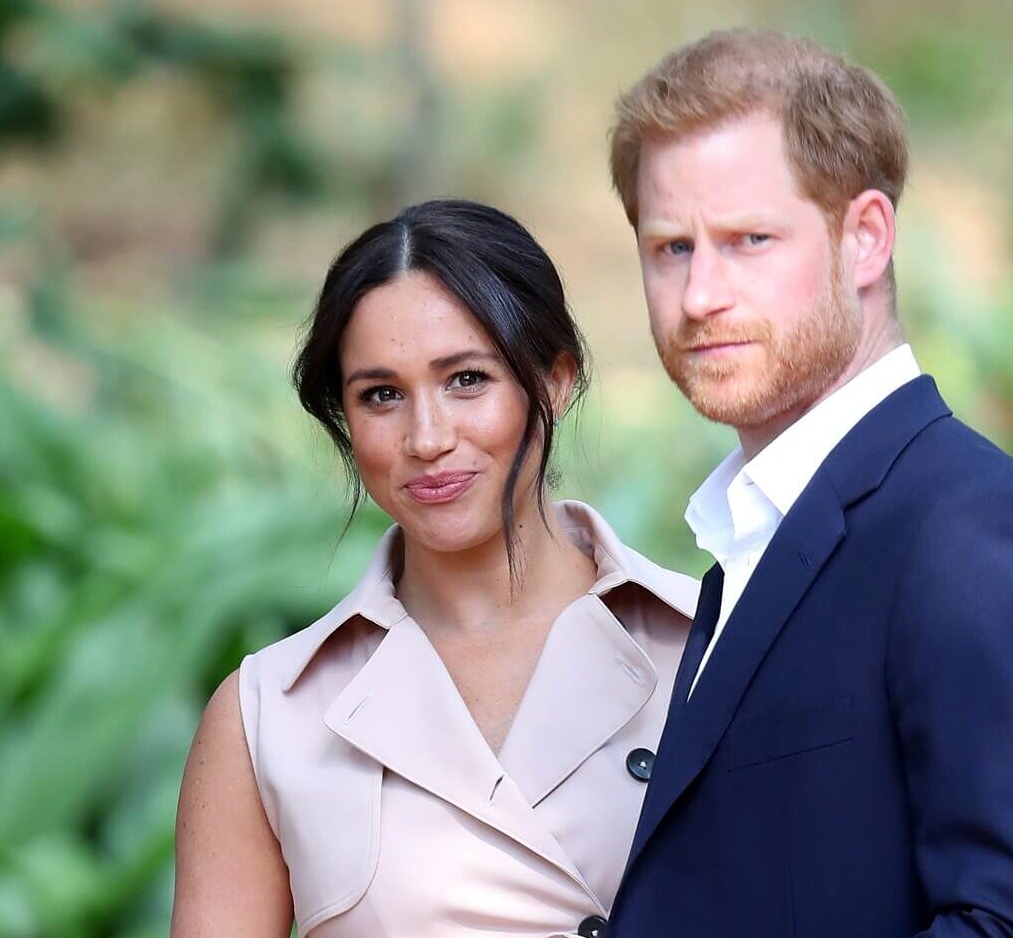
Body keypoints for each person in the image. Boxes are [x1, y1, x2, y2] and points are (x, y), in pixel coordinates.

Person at [604, 29, 1013, 937]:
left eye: (747, 240)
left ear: (866, 239)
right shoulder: (757, 535)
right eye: (670, 249)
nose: (698, 296)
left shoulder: (972, 535)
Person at [171, 199, 697, 938]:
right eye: (381, 395)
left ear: (554, 382)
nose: (426, 437)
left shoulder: (711, 646)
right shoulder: (269, 716)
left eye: (467, 380)